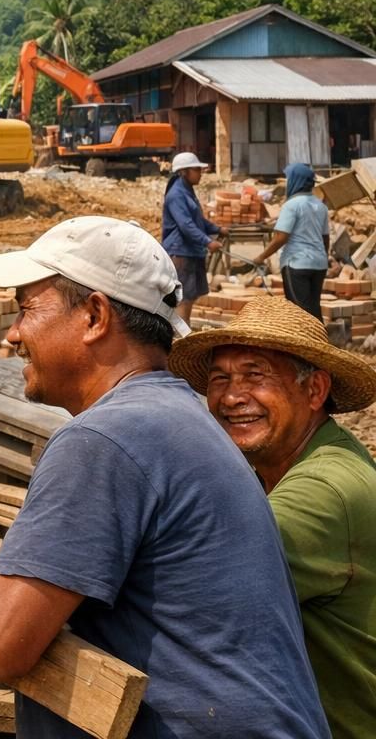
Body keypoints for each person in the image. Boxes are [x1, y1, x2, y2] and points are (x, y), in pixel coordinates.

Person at [0, 216, 330, 739]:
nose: (13, 334)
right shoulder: (176, 415)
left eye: (27, 309)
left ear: (95, 316)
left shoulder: (108, 439)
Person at [169, 296, 376, 739]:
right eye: (220, 378)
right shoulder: (282, 464)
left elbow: (193, 593)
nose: (231, 397)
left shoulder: (323, 491)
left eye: (255, 375)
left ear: (315, 391)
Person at [251, 164, 332, 321]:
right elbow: (325, 238)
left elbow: (281, 237)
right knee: (313, 308)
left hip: (296, 264)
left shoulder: (292, 205)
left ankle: (309, 344)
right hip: (319, 265)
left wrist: (261, 257)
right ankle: (320, 342)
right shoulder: (320, 206)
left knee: (300, 313)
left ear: (296, 181)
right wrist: (322, 257)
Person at [162, 151, 221, 326]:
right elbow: (186, 225)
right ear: (184, 172)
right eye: (196, 169)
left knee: (190, 297)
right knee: (184, 299)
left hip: (191, 251)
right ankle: (182, 341)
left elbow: (197, 221)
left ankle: (183, 335)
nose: (200, 173)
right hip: (181, 252)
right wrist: (208, 241)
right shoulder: (177, 195)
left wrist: (218, 229)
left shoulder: (187, 191)